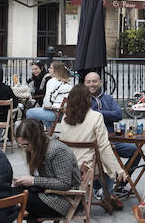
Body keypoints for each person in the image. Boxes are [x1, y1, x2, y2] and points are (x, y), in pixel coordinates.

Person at [54, 84, 127, 212]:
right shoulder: (96, 116)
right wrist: (118, 169)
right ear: (88, 99)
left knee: (105, 163)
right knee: (108, 167)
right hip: (87, 165)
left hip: (69, 163)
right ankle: (105, 195)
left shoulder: (66, 117)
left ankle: (95, 193)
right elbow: (104, 146)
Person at [12, 118, 82, 223]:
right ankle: (27, 221)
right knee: (14, 192)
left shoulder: (58, 151)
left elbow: (65, 184)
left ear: (36, 140)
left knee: (14, 196)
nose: (24, 149)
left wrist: (33, 181)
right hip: (52, 194)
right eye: (20, 145)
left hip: (65, 201)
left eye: (26, 145)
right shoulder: (42, 147)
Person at [83, 70, 136, 172]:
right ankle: (98, 185)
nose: (91, 84)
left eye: (94, 81)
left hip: (112, 139)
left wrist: (96, 113)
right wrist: (108, 114)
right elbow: (84, 117)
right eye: (88, 82)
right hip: (92, 141)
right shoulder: (82, 99)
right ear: (84, 83)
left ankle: (121, 183)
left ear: (100, 82)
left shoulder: (108, 98)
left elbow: (118, 115)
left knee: (136, 151)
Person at [25, 61, 72, 125]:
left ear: (56, 70)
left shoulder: (52, 81)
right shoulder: (68, 83)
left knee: (29, 112)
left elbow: (47, 104)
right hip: (64, 113)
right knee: (43, 110)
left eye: (50, 68)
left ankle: (43, 132)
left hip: (55, 113)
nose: (48, 69)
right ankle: (49, 132)